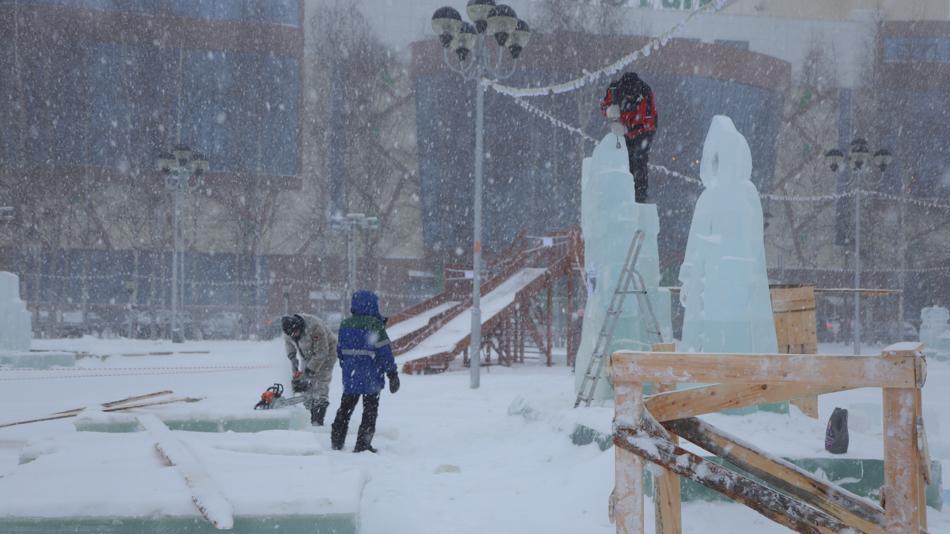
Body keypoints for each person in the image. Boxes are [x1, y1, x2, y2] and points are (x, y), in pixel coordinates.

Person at [331, 290, 400, 453]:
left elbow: (340, 351)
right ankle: (363, 444)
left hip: (351, 376)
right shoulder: (375, 325)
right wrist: (392, 374)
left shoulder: (345, 324)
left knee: (345, 408)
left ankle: (336, 441)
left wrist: (348, 367)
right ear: (372, 305)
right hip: (371, 376)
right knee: (370, 411)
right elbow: (385, 352)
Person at [601, 71, 658, 203]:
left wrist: (628, 130)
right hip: (623, 130)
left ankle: (640, 195)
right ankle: (622, 191)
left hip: (643, 131)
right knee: (623, 160)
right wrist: (609, 111)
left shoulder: (645, 93)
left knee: (639, 158)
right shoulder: (614, 90)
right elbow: (604, 106)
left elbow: (649, 123)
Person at [282, 313, 338, 426]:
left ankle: (318, 418)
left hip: (327, 353)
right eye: (291, 335)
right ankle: (309, 411)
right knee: (307, 387)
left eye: (295, 333)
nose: (293, 336)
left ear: (299, 327)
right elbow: (289, 344)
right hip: (307, 354)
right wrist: (293, 361)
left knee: (320, 384)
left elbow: (322, 353)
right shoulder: (288, 330)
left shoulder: (315, 327)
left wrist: (308, 373)